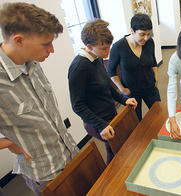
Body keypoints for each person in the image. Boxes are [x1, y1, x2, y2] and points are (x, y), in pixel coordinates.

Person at [0, 3, 79, 195]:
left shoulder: (33, 62)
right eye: (46, 44)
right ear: (18, 40)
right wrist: (9, 142)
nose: (51, 50)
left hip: (71, 154)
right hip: (45, 173)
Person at [68, 19, 137, 164]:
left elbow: (106, 86)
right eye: (104, 48)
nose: (108, 52)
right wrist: (101, 125)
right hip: (95, 122)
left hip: (109, 115)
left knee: (115, 148)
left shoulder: (97, 58)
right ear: (88, 46)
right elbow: (77, 105)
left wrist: (124, 100)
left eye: (109, 47)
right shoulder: (79, 68)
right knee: (116, 147)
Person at [108, 13, 160, 121]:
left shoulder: (150, 42)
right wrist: (122, 89)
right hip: (131, 91)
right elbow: (111, 70)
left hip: (150, 87)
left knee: (159, 115)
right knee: (136, 121)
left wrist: (156, 77)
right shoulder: (118, 47)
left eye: (148, 34)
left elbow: (153, 61)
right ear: (132, 31)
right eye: (142, 34)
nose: (146, 38)